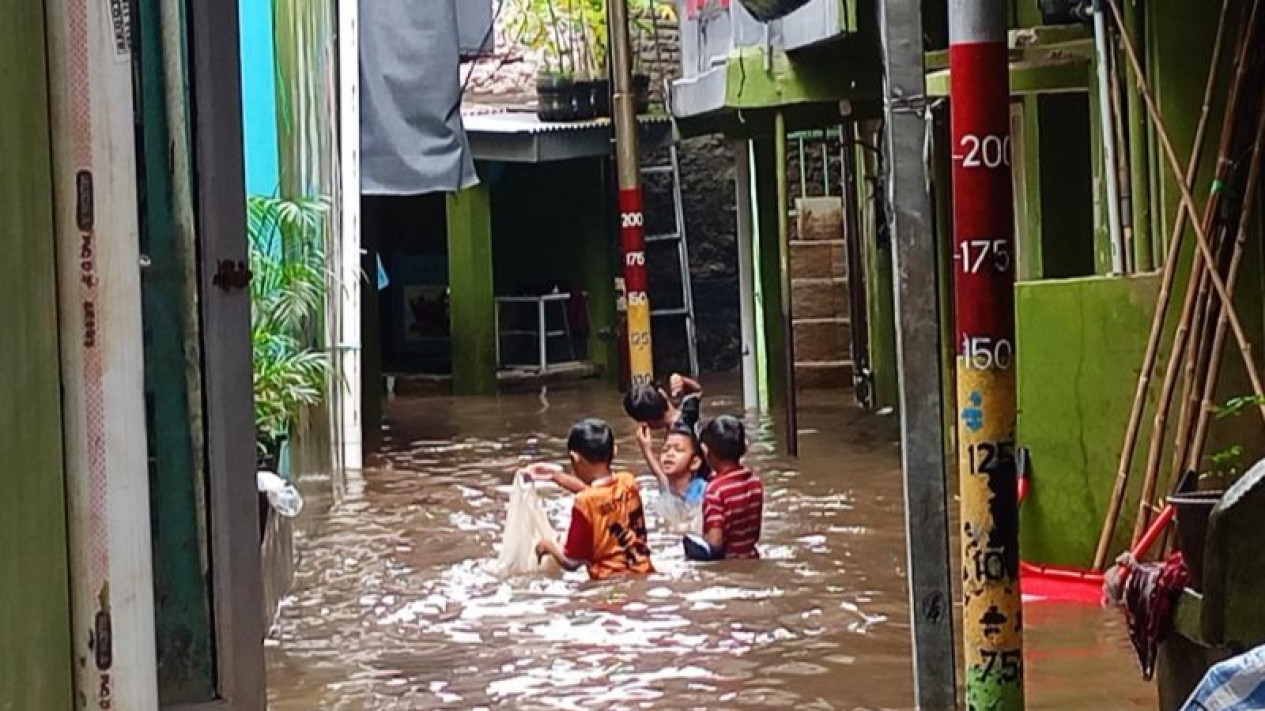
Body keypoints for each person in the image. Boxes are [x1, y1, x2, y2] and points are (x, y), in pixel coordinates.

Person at [524, 418, 655, 580]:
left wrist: (549, 546)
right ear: (614, 451)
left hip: (610, 582)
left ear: (575, 458)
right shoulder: (628, 481)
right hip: (644, 569)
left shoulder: (584, 502)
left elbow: (571, 562)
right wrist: (555, 476)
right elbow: (601, 496)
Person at [683, 415, 764, 561]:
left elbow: (715, 543)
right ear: (744, 447)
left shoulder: (715, 491)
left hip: (728, 564)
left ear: (706, 451)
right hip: (752, 558)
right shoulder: (755, 482)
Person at [635, 421, 706, 506]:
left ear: (694, 463)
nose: (670, 454)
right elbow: (661, 476)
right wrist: (646, 448)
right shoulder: (668, 487)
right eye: (665, 450)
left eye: (678, 450)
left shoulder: (702, 490)